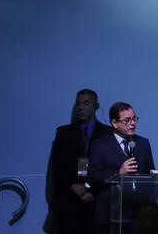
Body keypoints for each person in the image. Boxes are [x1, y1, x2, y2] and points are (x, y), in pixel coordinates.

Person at [47, 89, 113, 234]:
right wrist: (73, 186)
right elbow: (58, 167)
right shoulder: (64, 132)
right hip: (68, 203)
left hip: (97, 204)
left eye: (86, 103)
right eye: (78, 104)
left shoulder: (108, 133)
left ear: (96, 106)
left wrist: (90, 189)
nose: (81, 107)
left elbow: (109, 167)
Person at [89, 102, 156, 234]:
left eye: (134, 118)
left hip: (138, 215)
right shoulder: (100, 145)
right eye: (127, 120)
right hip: (109, 213)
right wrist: (118, 173)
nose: (132, 123)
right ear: (114, 123)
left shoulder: (143, 143)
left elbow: (151, 175)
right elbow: (93, 175)